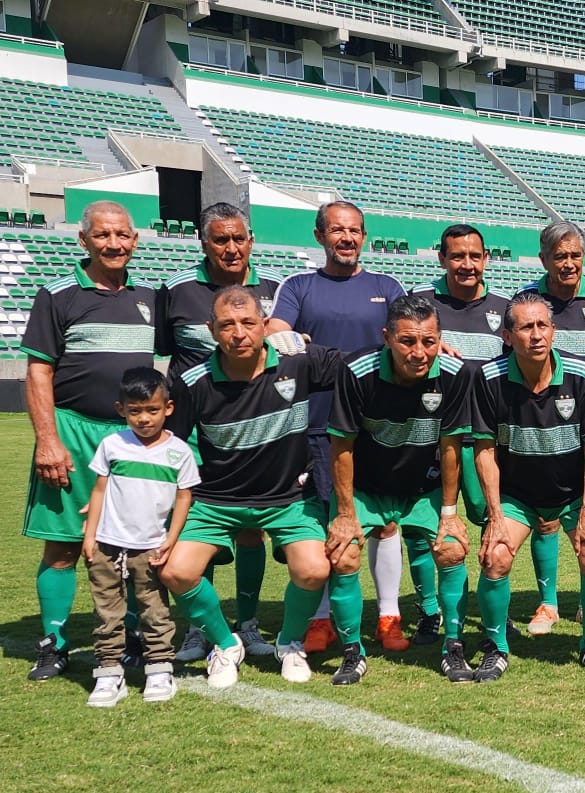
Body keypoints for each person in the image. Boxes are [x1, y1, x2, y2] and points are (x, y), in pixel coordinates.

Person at [159, 286, 347, 688]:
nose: (238, 333)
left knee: (314, 569)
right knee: (176, 572)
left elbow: (359, 368)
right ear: (212, 330)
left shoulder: (299, 362)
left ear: (265, 325)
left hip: (288, 499)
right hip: (216, 501)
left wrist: (436, 350)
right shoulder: (192, 381)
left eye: (248, 323)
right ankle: (226, 646)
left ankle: (289, 642)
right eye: (227, 325)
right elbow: (168, 449)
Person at [269, 201, 415, 653]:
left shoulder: (386, 285)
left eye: (354, 230)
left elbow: (411, 328)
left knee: (385, 522)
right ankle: (320, 618)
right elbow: (276, 329)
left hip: (377, 424)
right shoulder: (298, 286)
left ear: (364, 236)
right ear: (320, 236)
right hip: (319, 426)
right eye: (337, 230)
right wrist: (283, 336)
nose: (346, 238)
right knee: (328, 520)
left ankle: (388, 616)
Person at [20, 201, 156, 682]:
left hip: (132, 438)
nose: (114, 244)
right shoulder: (58, 296)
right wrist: (47, 441)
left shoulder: (149, 298)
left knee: (137, 543)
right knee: (63, 547)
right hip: (73, 431)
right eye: (102, 236)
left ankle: (137, 638)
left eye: (122, 235)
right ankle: (53, 643)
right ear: (84, 241)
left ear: (135, 240)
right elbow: (39, 370)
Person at [156, 201, 283, 663]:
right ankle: (198, 628)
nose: (231, 248)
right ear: (203, 242)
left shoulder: (271, 290)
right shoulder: (176, 291)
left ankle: (247, 623)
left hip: (254, 431)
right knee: (193, 528)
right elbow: (162, 362)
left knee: (251, 531)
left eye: (238, 239)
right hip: (194, 431)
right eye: (220, 239)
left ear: (251, 241)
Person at [327, 295, 475, 684]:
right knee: (342, 556)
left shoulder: (456, 374)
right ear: (387, 338)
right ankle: (351, 653)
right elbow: (341, 446)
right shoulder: (357, 371)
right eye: (408, 341)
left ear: (440, 338)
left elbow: (450, 446)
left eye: (429, 341)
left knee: (452, 548)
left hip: (420, 489)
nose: (419, 352)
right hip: (366, 487)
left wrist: (449, 513)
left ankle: (454, 646)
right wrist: (345, 514)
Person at [473, 295, 585, 681]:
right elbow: (484, 452)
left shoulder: (583, 375)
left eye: (542, 326)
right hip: (517, 495)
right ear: (507, 335)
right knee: (496, 556)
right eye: (525, 327)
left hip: (571, 495)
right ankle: (495, 646)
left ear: (553, 331)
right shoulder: (488, 378)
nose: (536, 335)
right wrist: (496, 516)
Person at [510, 221, 585, 636]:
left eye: (575, 255)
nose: (568, 263)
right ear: (544, 260)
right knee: (544, 519)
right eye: (560, 256)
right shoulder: (526, 304)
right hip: (537, 427)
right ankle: (548, 603)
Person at [407, 223, 509, 644]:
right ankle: (431, 610)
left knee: (493, 524)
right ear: (442, 258)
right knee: (425, 527)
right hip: (432, 437)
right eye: (457, 256)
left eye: (474, 256)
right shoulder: (420, 305)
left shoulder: (505, 309)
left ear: (486, 259)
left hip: (486, 439)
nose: (466, 264)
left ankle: (488, 612)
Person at [80, 367, 198, 706]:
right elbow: (99, 491)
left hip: (151, 546)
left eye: (152, 410)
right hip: (107, 543)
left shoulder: (179, 452)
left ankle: (159, 669)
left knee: (154, 608)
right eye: (135, 411)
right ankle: (108, 673)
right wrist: (90, 536)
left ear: (168, 408)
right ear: (122, 410)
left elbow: (183, 497)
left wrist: (170, 539)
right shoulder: (113, 445)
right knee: (107, 610)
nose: (143, 419)